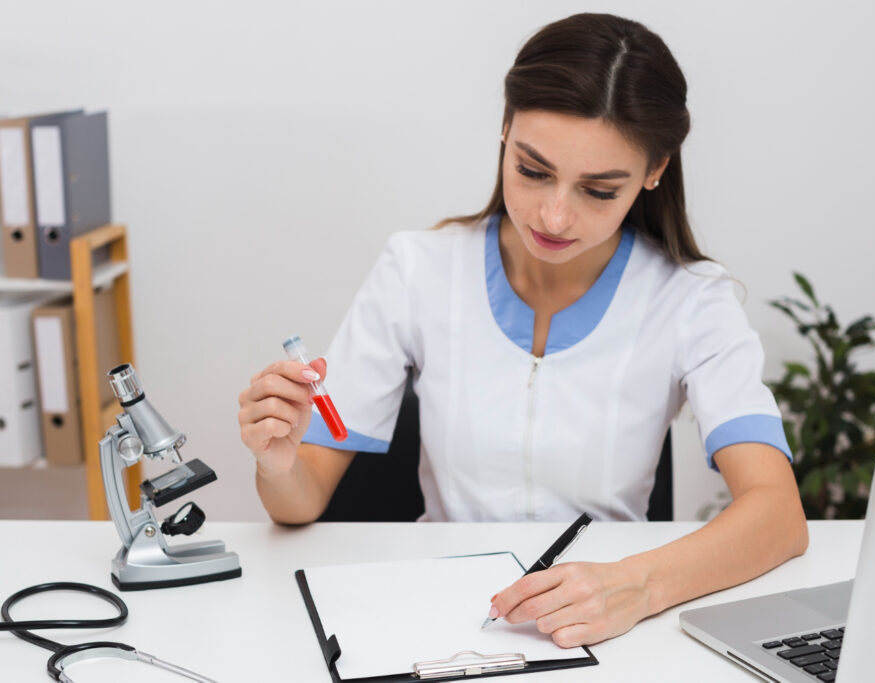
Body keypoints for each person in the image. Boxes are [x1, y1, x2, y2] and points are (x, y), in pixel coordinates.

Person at [238, 13, 808, 648]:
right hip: (439, 621)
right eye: (533, 171)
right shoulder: (417, 269)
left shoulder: (692, 298)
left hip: (611, 627)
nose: (555, 215)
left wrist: (637, 586)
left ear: (654, 171)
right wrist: (278, 462)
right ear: (505, 130)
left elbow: (779, 516)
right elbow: (300, 502)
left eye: (598, 189)